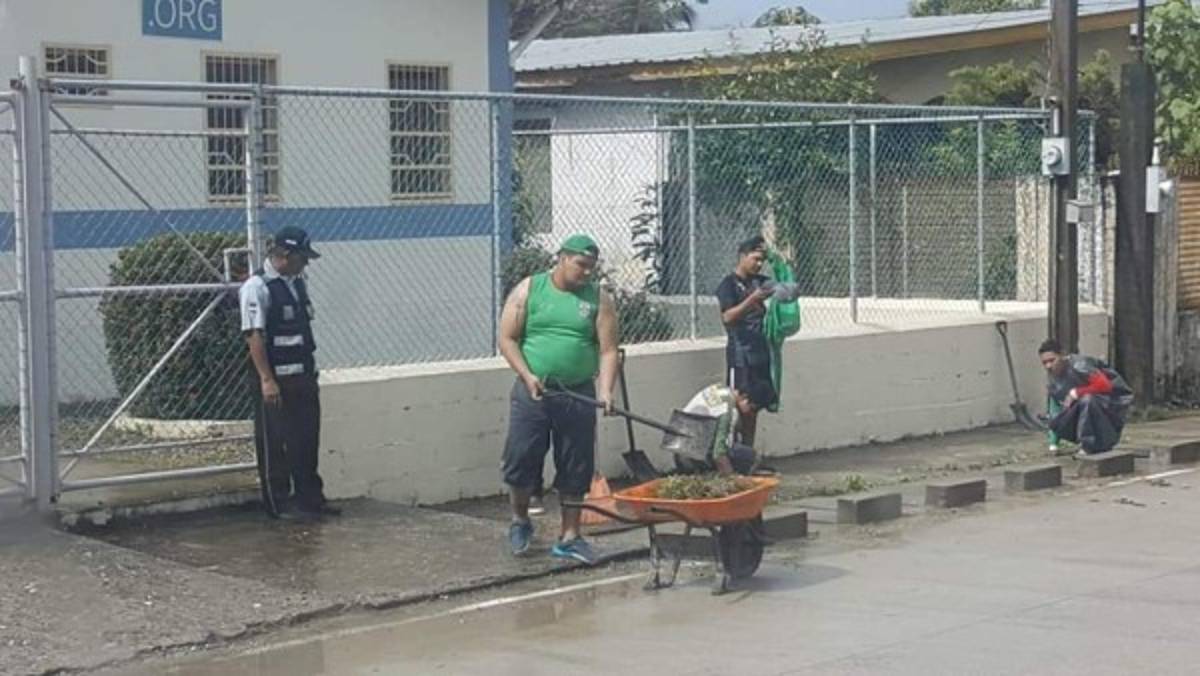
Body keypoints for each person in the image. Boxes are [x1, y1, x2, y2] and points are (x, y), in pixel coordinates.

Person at [498, 234, 619, 564]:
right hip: (534, 390)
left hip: (577, 392)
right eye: (581, 265)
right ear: (562, 258)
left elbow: (608, 351)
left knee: (576, 464)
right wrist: (527, 375)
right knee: (521, 457)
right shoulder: (529, 289)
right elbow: (507, 339)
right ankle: (521, 521)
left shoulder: (598, 299)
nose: (586, 273)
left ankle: (570, 537)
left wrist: (606, 391)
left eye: (591, 268)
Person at [239, 226, 339, 520]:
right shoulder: (257, 287)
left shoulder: (297, 282)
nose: (305, 263)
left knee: (307, 439)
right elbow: (254, 335)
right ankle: (279, 505)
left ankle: (310, 500)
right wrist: (267, 380)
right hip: (276, 380)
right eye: (301, 257)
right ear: (284, 255)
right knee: (275, 443)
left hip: (303, 377)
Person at [715, 236, 777, 447]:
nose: (759, 265)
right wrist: (752, 300)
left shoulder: (759, 281)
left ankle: (747, 454)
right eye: (756, 259)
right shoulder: (729, 285)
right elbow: (728, 317)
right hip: (741, 353)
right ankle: (732, 450)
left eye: (763, 261)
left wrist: (780, 264)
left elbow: (787, 287)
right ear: (743, 256)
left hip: (760, 351)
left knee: (755, 405)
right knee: (741, 404)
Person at [1037, 339, 1134, 457]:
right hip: (1084, 414)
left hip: (1109, 405)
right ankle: (1086, 441)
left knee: (1087, 399)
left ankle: (1088, 445)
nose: (1048, 366)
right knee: (1059, 418)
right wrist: (1053, 444)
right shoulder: (1053, 381)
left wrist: (1077, 392)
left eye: (1052, 360)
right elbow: (1055, 411)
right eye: (1044, 363)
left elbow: (1105, 385)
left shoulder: (1080, 364)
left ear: (1062, 355)